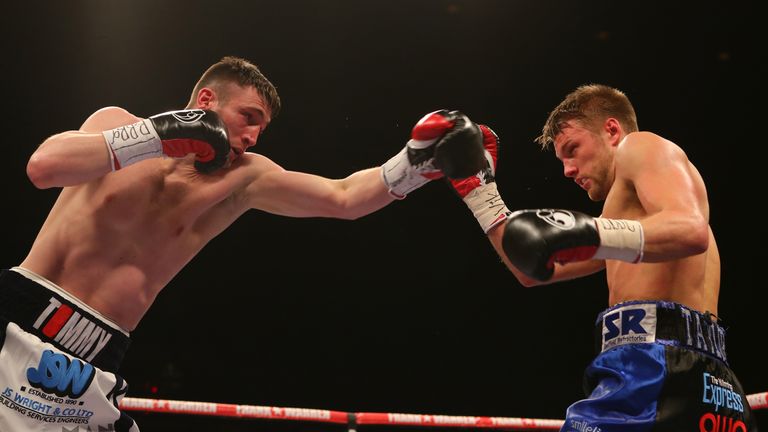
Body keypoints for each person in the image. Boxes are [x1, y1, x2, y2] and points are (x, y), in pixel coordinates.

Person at [0, 56, 487, 431]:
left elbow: (344, 198)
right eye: (247, 117)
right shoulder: (116, 121)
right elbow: (43, 167)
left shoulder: (242, 179)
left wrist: (418, 162)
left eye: (261, 128)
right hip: (17, 320)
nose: (253, 137)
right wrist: (158, 135)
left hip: (93, 363)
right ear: (206, 101)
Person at [448, 84, 757, 431]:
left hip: (654, 372)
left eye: (573, 149)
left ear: (611, 130)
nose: (567, 169)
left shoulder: (641, 146)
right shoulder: (636, 227)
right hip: (711, 386)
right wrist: (480, 191)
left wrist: (590, 233)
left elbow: (692, 230)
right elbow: (533, 271)